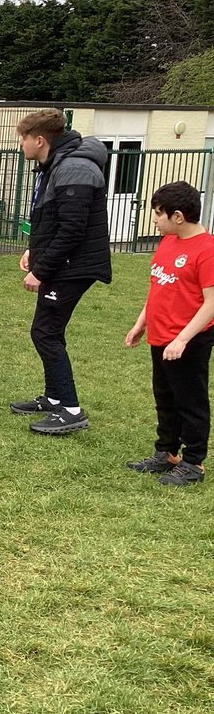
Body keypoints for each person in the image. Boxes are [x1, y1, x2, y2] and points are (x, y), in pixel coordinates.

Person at [9, 108, 111, 434]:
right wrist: (33, 250)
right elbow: (54, 219)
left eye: (23, 139)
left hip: (74, 267)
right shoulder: (54, 165)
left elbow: (72, 230)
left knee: (46, 333)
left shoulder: (74, 168)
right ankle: (54, 399)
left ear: (39, 140)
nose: (21, 145)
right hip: (64, 264)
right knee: (47, 331)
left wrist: (41, 270)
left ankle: (69, 409)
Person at [124, 181, 214, 486]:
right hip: (161, 337)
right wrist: (141, 322)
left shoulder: (206, 250)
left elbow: (211, 304)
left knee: (190, 400)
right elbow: (158, 287)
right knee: (164, 397)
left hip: (188, 340)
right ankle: (168, 453)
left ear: (178, 216)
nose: (154, 220)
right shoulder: (168, 242)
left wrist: (183, 339)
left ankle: (193, 463)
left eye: (158, 214)